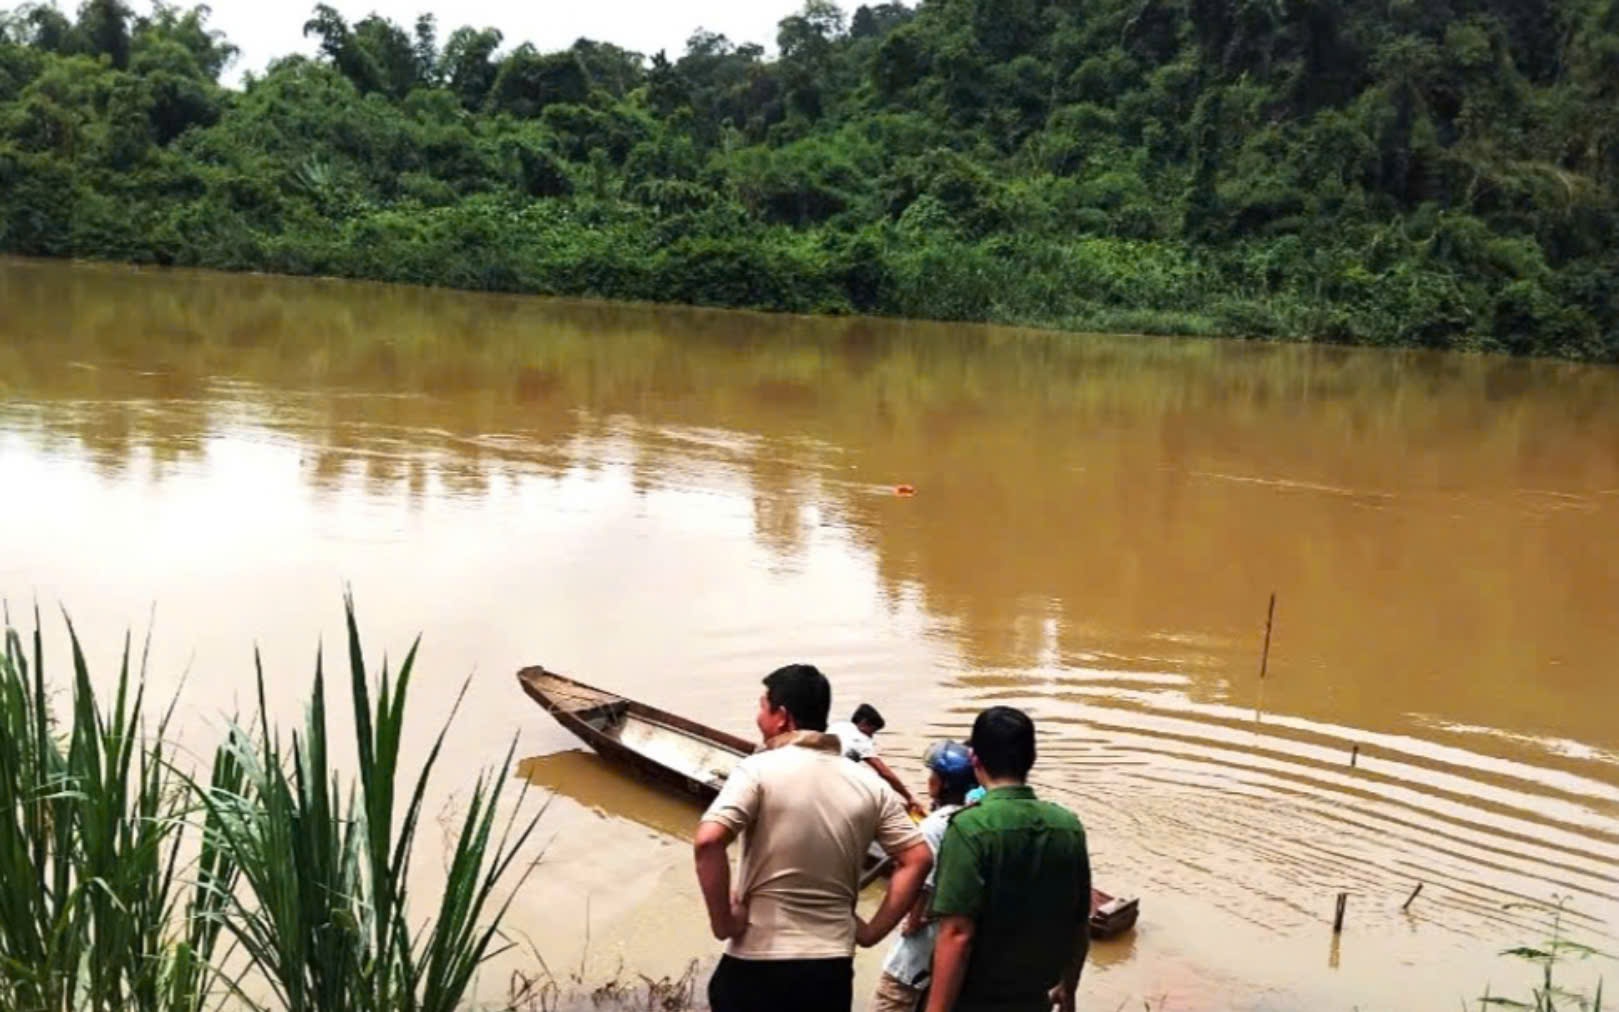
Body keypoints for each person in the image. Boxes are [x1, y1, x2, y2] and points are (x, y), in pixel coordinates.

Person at [694, 664, 934, 1012]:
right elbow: (918, 858)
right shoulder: (869, 785)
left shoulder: (758, 769)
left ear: (783, 717)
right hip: (829, 969)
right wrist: (871, 932)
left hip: (756, 962)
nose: (758, 718)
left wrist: (724, 923)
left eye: (762, 707)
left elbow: (708, 841)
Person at [925, 707, 1092, 1012]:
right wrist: (1068, 990)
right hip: (1034, 999)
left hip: (976, 1000)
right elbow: (1079, 924)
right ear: (1031, 758)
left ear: (975, 759)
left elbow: (957, 934)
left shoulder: (969, 827)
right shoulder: (1068, 827)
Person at [871, 740, 977, 1012]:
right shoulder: (971, 821)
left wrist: (913, 919)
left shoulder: (932, 827)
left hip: (917, 954)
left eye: (933, 775)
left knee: (891, 1000)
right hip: (951, 953)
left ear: (941, 783)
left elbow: (922, 885)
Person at [828, 703, 927, 817]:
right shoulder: (860, 739)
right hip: (835, 784)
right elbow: (884, 772)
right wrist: (909, 797)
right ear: (864, 723)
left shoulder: (838, 725)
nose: (871, 737)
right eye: (872, 731)